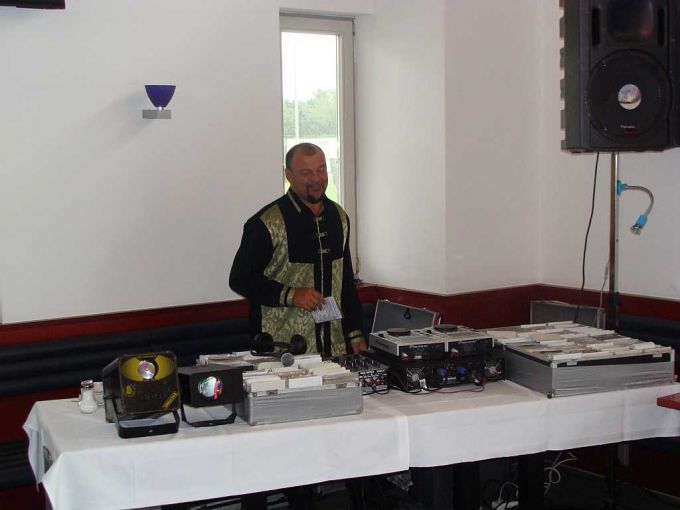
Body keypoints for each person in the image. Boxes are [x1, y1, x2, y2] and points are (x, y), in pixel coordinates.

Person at [230, 142, 367, 356]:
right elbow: (240, 279)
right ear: (289, 175)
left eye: (321, 169)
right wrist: (291, 295)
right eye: (306, 172)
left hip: (334, 349)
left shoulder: (339, 217)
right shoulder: (266, 223)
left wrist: (355, 335)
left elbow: (345, 281)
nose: (316, 179)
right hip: (281, 351)